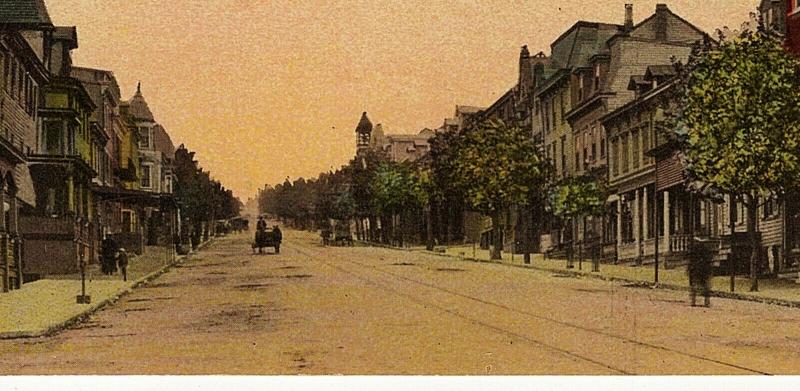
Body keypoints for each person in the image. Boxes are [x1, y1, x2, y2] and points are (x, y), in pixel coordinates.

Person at [687, 238, 713, 307]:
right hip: (703, 269)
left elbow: (690, 260)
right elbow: (710, 260)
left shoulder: (694, 250)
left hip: (698, 269)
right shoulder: (706, 251)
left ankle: (693, 301)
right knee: (705, 286)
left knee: (695, 286)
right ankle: (706, 302)